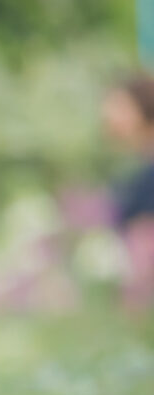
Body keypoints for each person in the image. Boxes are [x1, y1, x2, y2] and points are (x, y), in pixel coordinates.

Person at [101, 74, 154, 310]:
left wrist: (134, 301)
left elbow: (145, 242)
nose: (107, 115)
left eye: (119, 106)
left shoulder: (147, 175)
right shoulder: (139, 167)